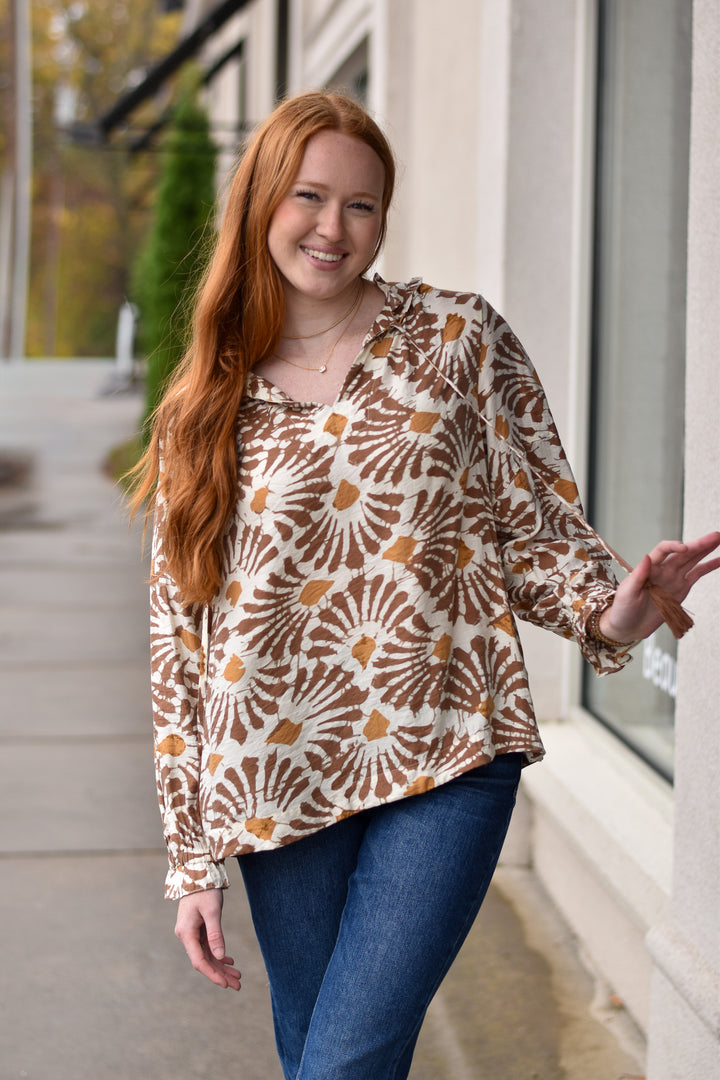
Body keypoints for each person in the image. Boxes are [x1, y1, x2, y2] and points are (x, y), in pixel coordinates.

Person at [130, 90, 720, 1080]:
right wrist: (192, 858)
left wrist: (617, 605)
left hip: (447, 748)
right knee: (321, 1054)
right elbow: (180, 641)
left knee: (344, 1063)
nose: (333, 228)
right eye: (310, 197)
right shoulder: (203, 405)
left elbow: (532, 531)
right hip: (280, 775)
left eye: (362, 205)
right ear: (262, 200)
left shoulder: (456, 342)